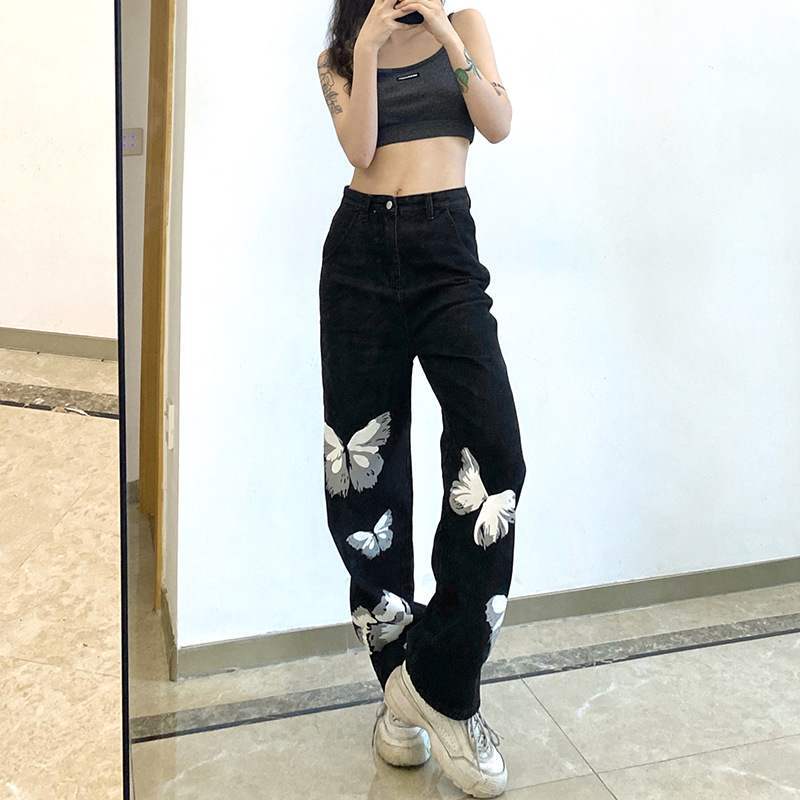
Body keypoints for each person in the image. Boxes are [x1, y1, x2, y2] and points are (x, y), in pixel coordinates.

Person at [316, 2, 526, 796]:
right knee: (363, 473)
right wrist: (370, 46)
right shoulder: (340, 55)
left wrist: (441, 33)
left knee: (493, 458)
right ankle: (398, 691)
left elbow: (497, 124)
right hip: (358, 253)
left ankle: (440, 681)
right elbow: (360, 148)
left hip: (445, 248)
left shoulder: (464, 24)